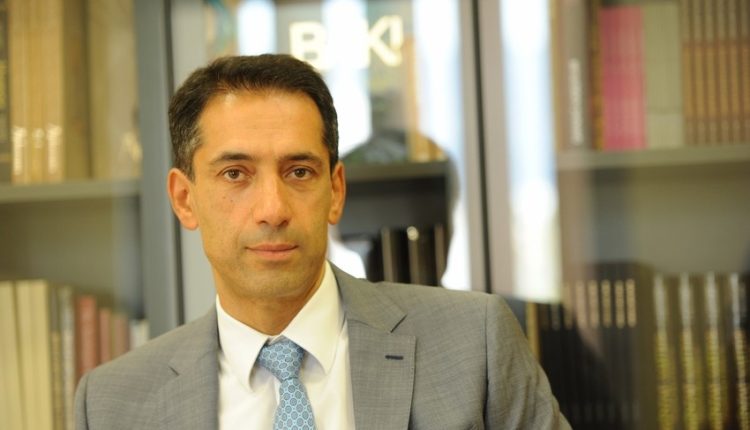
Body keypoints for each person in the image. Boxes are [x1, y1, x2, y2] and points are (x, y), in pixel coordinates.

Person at [75, 54, 570, 430]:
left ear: (335, 192)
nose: (272, 209)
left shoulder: (475, 345)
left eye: (298, 172)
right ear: (185, 200)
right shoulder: (112, 405)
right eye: (235, 174)